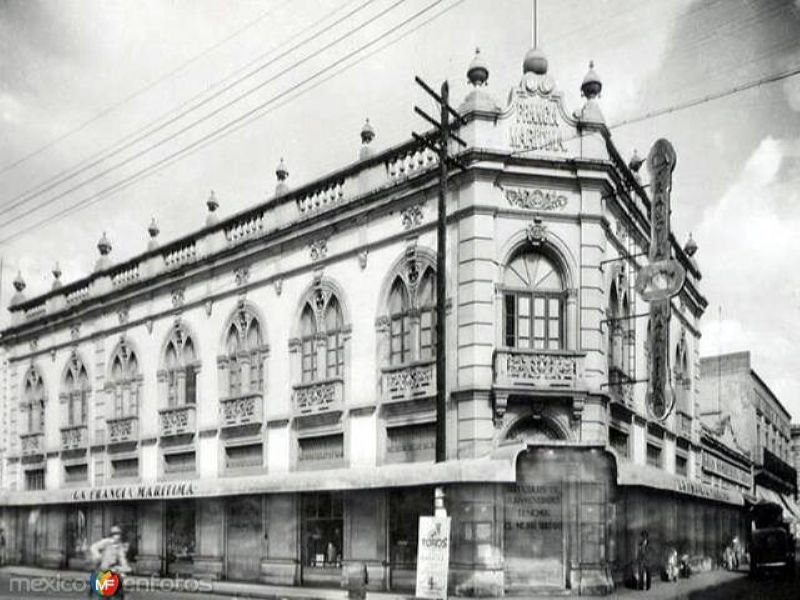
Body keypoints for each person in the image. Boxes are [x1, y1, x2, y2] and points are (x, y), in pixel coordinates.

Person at [89, 525, 130, 598]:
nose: (117, 536)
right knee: (104, 591)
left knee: (121, 585)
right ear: (111, 535)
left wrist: (125, 567)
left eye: (118, 534)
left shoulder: (119, 546)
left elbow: (122, 558)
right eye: (114, 534)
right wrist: (98, 556)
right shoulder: (106, 542)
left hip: (113, 568)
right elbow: (93, 547)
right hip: (103, 568)